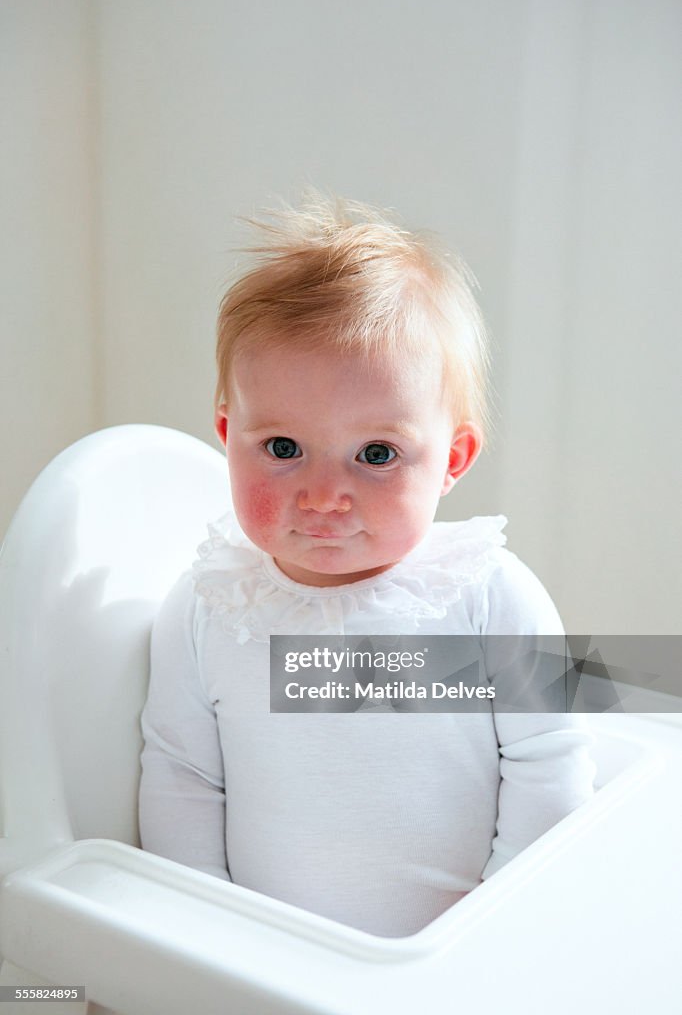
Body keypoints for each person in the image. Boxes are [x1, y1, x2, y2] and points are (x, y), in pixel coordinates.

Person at [138, 191, 595, 938]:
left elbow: (552, 760)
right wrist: (206, 930)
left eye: (376, 455)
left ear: (451, 460)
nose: (323, 496)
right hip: (267, 964)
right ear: (229, 435)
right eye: (282, 449)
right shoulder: (206, 606)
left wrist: (500, 924)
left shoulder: (488, 595)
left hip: (460, 961)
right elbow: (184, 777)